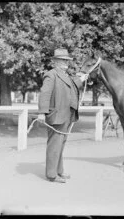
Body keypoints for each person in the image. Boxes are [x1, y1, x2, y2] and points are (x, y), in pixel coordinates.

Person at [38, 48, 88, 183]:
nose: (66, 62)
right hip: (56, 115)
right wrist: (42, 112)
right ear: (55, 62)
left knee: (61, 144)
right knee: (54, 145)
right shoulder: (51, 75)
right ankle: (51, 175)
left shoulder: (66, 76)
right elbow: (45, 93)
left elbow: (73, 85)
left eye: (67, 60)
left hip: (67, 115)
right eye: (63, 60)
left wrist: (81, 79)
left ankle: (59, 171)